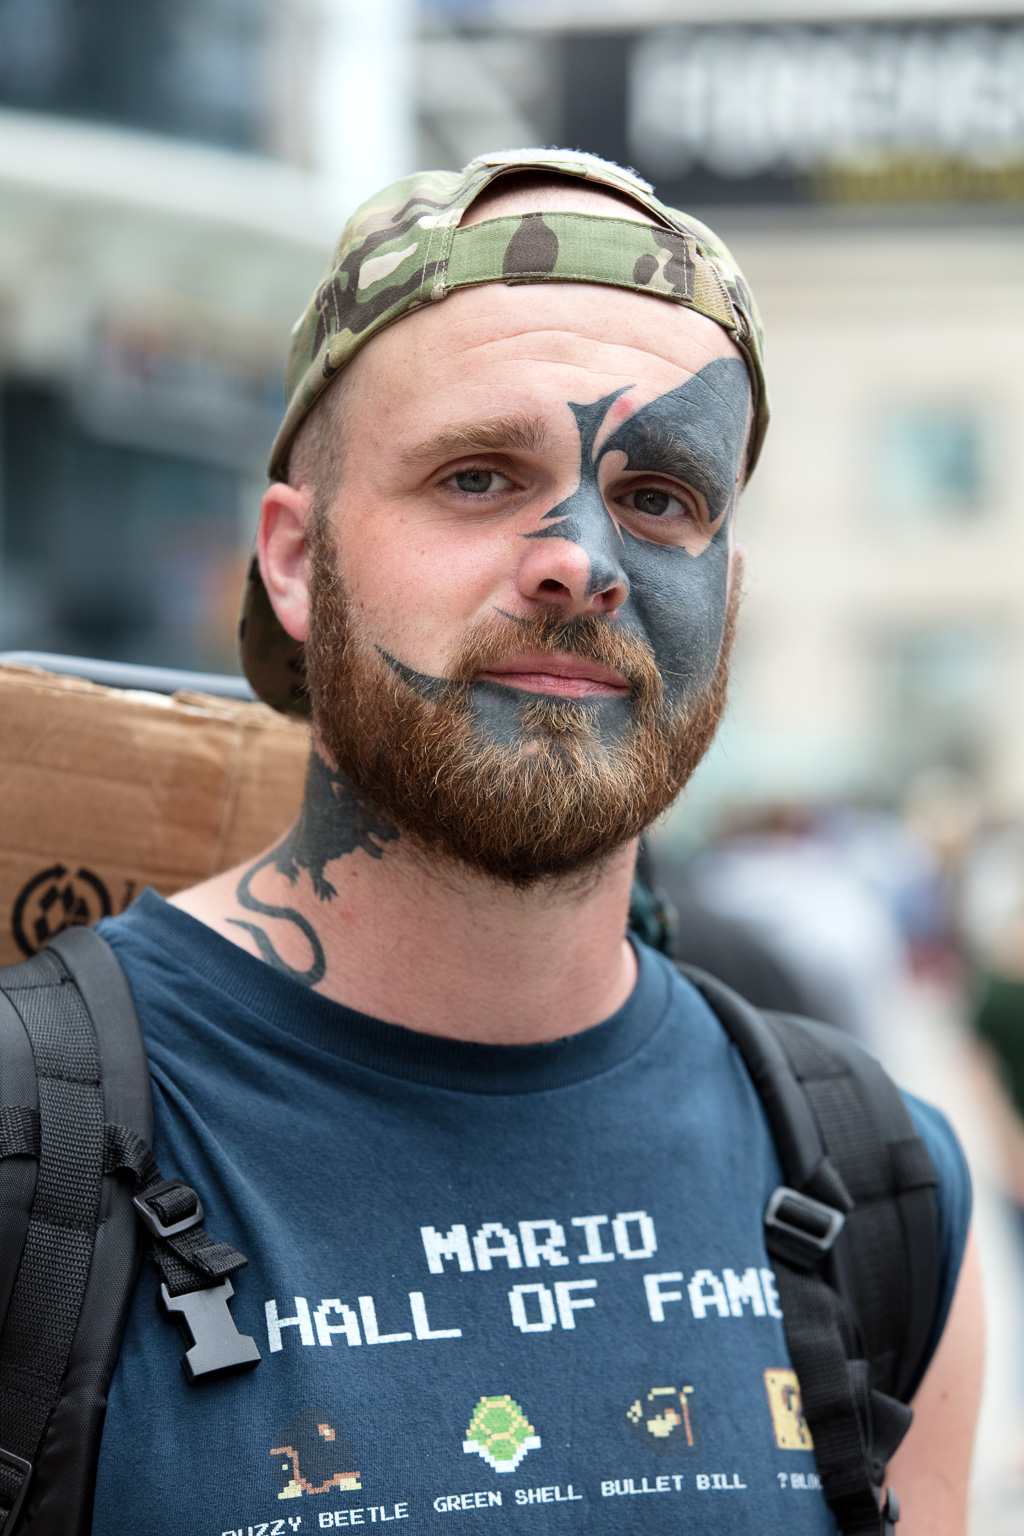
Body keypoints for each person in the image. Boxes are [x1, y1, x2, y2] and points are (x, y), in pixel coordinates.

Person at [86, 150, 981, 1535]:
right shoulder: (41, 1144)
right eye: (478, 475)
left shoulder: (884, 1193)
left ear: (725, 597)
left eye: (663, 498)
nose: (582, 559)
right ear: (291, 561)